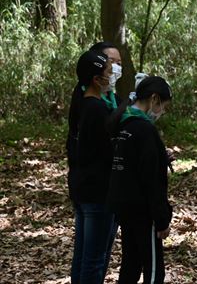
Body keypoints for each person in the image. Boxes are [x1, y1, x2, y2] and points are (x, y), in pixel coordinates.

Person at [107, 76, 173, 284]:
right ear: (154, 99)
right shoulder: (145, 130)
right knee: (154, 271)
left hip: (124, 209)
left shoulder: (124, 126)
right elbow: (152, 179)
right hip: (145, 213)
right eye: (163, 106)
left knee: (130, 266)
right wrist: (161, 218)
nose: (162, 111)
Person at [69, 50, 117, 283]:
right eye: (109, 71)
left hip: (82, 189)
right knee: (94, 261)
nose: (113, 74)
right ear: (97, 79)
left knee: (82, 257)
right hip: (97, 193)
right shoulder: (96, 110)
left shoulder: (84, 105)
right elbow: (105, 152)